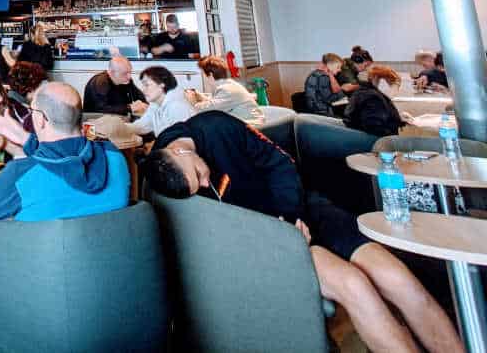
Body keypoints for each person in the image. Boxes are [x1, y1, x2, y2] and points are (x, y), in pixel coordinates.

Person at [146, 111, 463, 353]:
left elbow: (280, 163)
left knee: (399, 278)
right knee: (356, 287)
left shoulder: (215, 126)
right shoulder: (170, 180)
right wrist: (281, 233)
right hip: (274, 240)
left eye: (199, 174)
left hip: (305, 210)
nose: (204, 183)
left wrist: (291, 213)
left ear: (181, 152)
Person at [0, 82, 129, 222]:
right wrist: (25, 138)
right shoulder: (114, 156)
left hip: (35, 257)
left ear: (40, 119)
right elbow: (61, 158)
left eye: (33, 111)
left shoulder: (20, 173)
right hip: (110, 254)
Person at [186, 56, 264, 127]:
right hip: (245, 123)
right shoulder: (229, 85)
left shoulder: (226, 90)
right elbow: (217, 103)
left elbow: (207, 110)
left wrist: (194, 102)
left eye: (203, 74)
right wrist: (202, 97)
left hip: (250, 127)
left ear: (210, 75)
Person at [129, 66, 194, 138]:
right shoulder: (155, 104)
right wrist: (119, 127)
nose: (143, 90)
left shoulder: (177, 106)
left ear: (162, 84)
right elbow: (142, 126)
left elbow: (180, 139)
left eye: (147, 85)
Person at [343, 66, 405, 137]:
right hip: (374, 140)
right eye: (391, 84)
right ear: (375, 78)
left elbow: (375, 116)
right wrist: (392, 137)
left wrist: (398, 119)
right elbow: (373, 126)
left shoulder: (365, 91)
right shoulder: (373, 97)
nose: (394, 90)